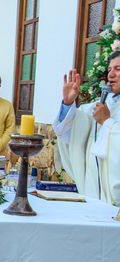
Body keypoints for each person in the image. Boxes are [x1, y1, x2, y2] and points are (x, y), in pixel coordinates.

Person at [53, 51, 120, 205]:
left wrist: (107, 122)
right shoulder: (101, 105)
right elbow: (71, 128)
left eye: (118, 69)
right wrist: (68, 104)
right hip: (92, 189)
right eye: (110, 69)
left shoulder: (103, 112)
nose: (111, 75)